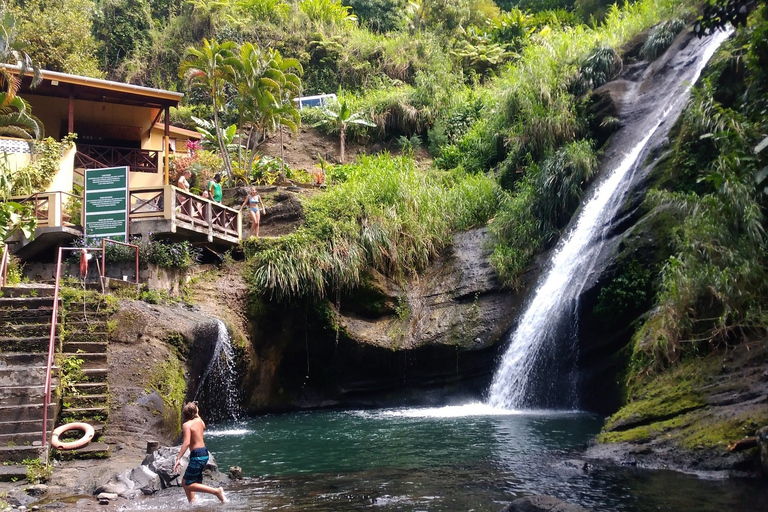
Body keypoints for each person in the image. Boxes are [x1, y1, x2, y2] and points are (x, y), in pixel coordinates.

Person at [173, 402, 227, 504]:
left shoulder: (186, 425)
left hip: (197, 456)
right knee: (185, 481)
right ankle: (192, 502)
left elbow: (186, 442)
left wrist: (178, 458)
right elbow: (202, 424)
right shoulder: (199, 421)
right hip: (204, 453)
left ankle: (216, 491)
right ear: (196, 411)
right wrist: (197, 413)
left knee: (188, 484)